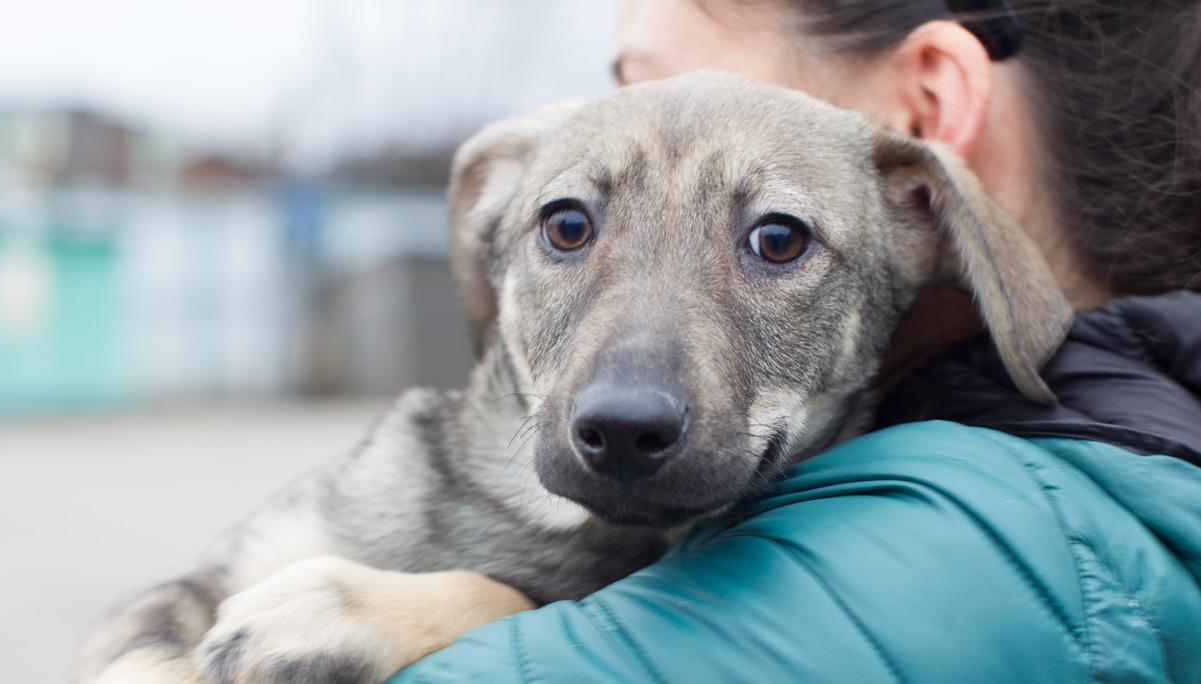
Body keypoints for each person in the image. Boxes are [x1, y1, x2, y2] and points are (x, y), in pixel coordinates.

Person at [392, 1, 1201, 681]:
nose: (621, 123)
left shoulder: (970, 544)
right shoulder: (1074, 445)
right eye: (570, 226)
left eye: (774, 239)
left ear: (920, 112)